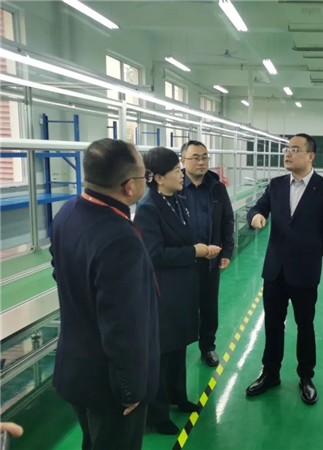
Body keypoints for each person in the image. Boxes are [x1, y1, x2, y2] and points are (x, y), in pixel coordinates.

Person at [50, 139, 159, 450]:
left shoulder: (68, 212)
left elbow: (60, 270)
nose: (146, 181)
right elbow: (123, 327)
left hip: (76, 369)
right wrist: (130, 389)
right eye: (144, 176)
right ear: (129, 187)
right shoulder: (120, 239)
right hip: (109, 386)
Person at [245, 133, 323, 404]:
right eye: (287, 149)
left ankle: (306, 376)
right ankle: (270, 372)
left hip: (305, 272)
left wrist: (310, 253)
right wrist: (256, 216)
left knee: (305, 325)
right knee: (273, 323)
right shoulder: (276, 185)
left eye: (295, 149)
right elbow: (258, 208)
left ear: (311, 156)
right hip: (275, 270)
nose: (288, 153)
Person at [134, 147, 210, 435]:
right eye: (176, 171)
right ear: (157, 178)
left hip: (182, 288)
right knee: (162, 354)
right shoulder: (148, 208)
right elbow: (153, 254)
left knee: (178, 347)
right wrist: (193, 252)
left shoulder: (178, 200)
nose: (182, 175)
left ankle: (178, 396)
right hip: (163, 292)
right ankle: (157, 414)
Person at [180, 140, 234, 367]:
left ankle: (208, 346)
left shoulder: (216, 187)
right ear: (183, 160)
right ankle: (178, 346)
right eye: (195, 157)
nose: (201, 162)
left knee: (209, 305)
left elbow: (227, 219)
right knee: (181, 306)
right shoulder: (176, 187)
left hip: (210, 259)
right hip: (182, 260)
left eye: (204, 157)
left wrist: (227, 251)